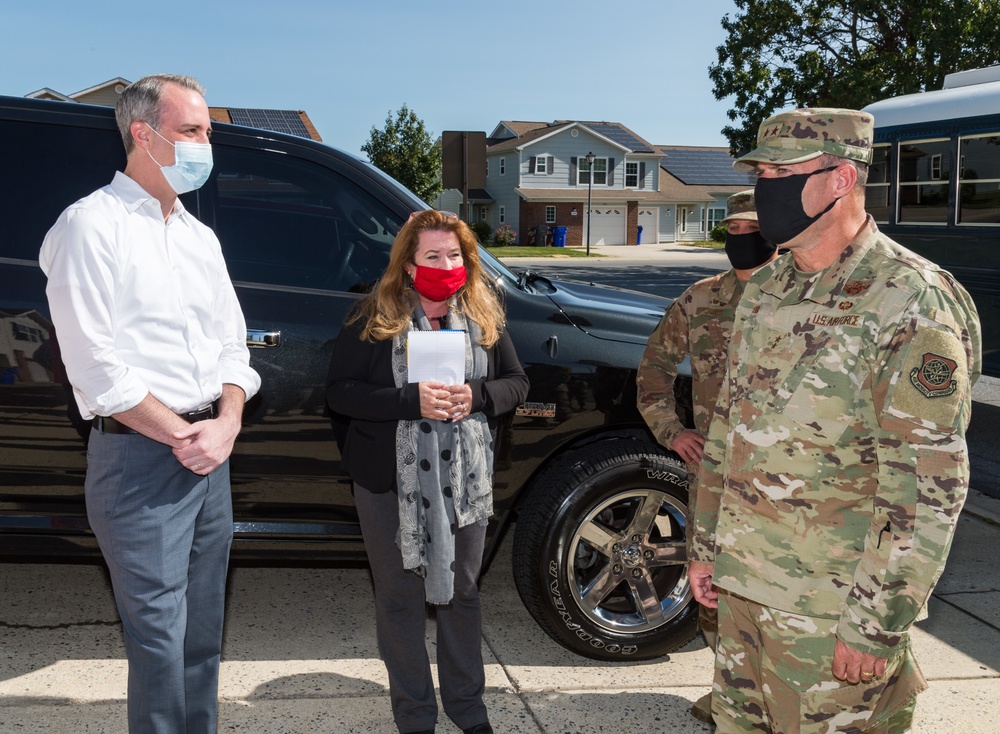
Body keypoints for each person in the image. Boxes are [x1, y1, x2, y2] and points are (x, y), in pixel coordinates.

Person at [687, 108, 982, 733]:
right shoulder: (767, 291)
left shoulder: (909, 300)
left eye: (779, 171)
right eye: (759, 171)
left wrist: (877, 625)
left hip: (831, 617)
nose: (764, 186)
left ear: (840, 179)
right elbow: (727, 437)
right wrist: (706, 547)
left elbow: (925, 489)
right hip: (743, 598)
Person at [39, 74, 260, 733]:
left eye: (206, 132)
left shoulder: (198, 237)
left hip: (208, 457)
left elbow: (231, 345)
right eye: (191, 131)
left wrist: (226, 421)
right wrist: (184, 435)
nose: (205, 143)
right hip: (140, 462)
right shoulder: (90, 227)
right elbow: (97, 367)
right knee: (160, 644)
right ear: (144, 133)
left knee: (200, 639)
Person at [326, 210, 529, 734]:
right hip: (387, 482)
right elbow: (340, 392)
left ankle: (468, 708)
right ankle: (415, 714)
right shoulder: (372, 316)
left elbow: (517, 383)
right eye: (432, 256)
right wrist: (407, 400)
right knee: (399, 598)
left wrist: (477, 395)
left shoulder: (483, 312)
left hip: (464, 482)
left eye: (454, 254)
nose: (445, 264)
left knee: (462, 593)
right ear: (409, 265)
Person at [637, 189, 777, 724]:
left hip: (788, 480)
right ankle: (732, 691)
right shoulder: (699, 300)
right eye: (732, 232)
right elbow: (653, 374)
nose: (740, 241)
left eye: (751, 232)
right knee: (713, 585)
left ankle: (778, 693)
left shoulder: (803, 297)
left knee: (777, 589)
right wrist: (673, 432)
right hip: (714, 477)